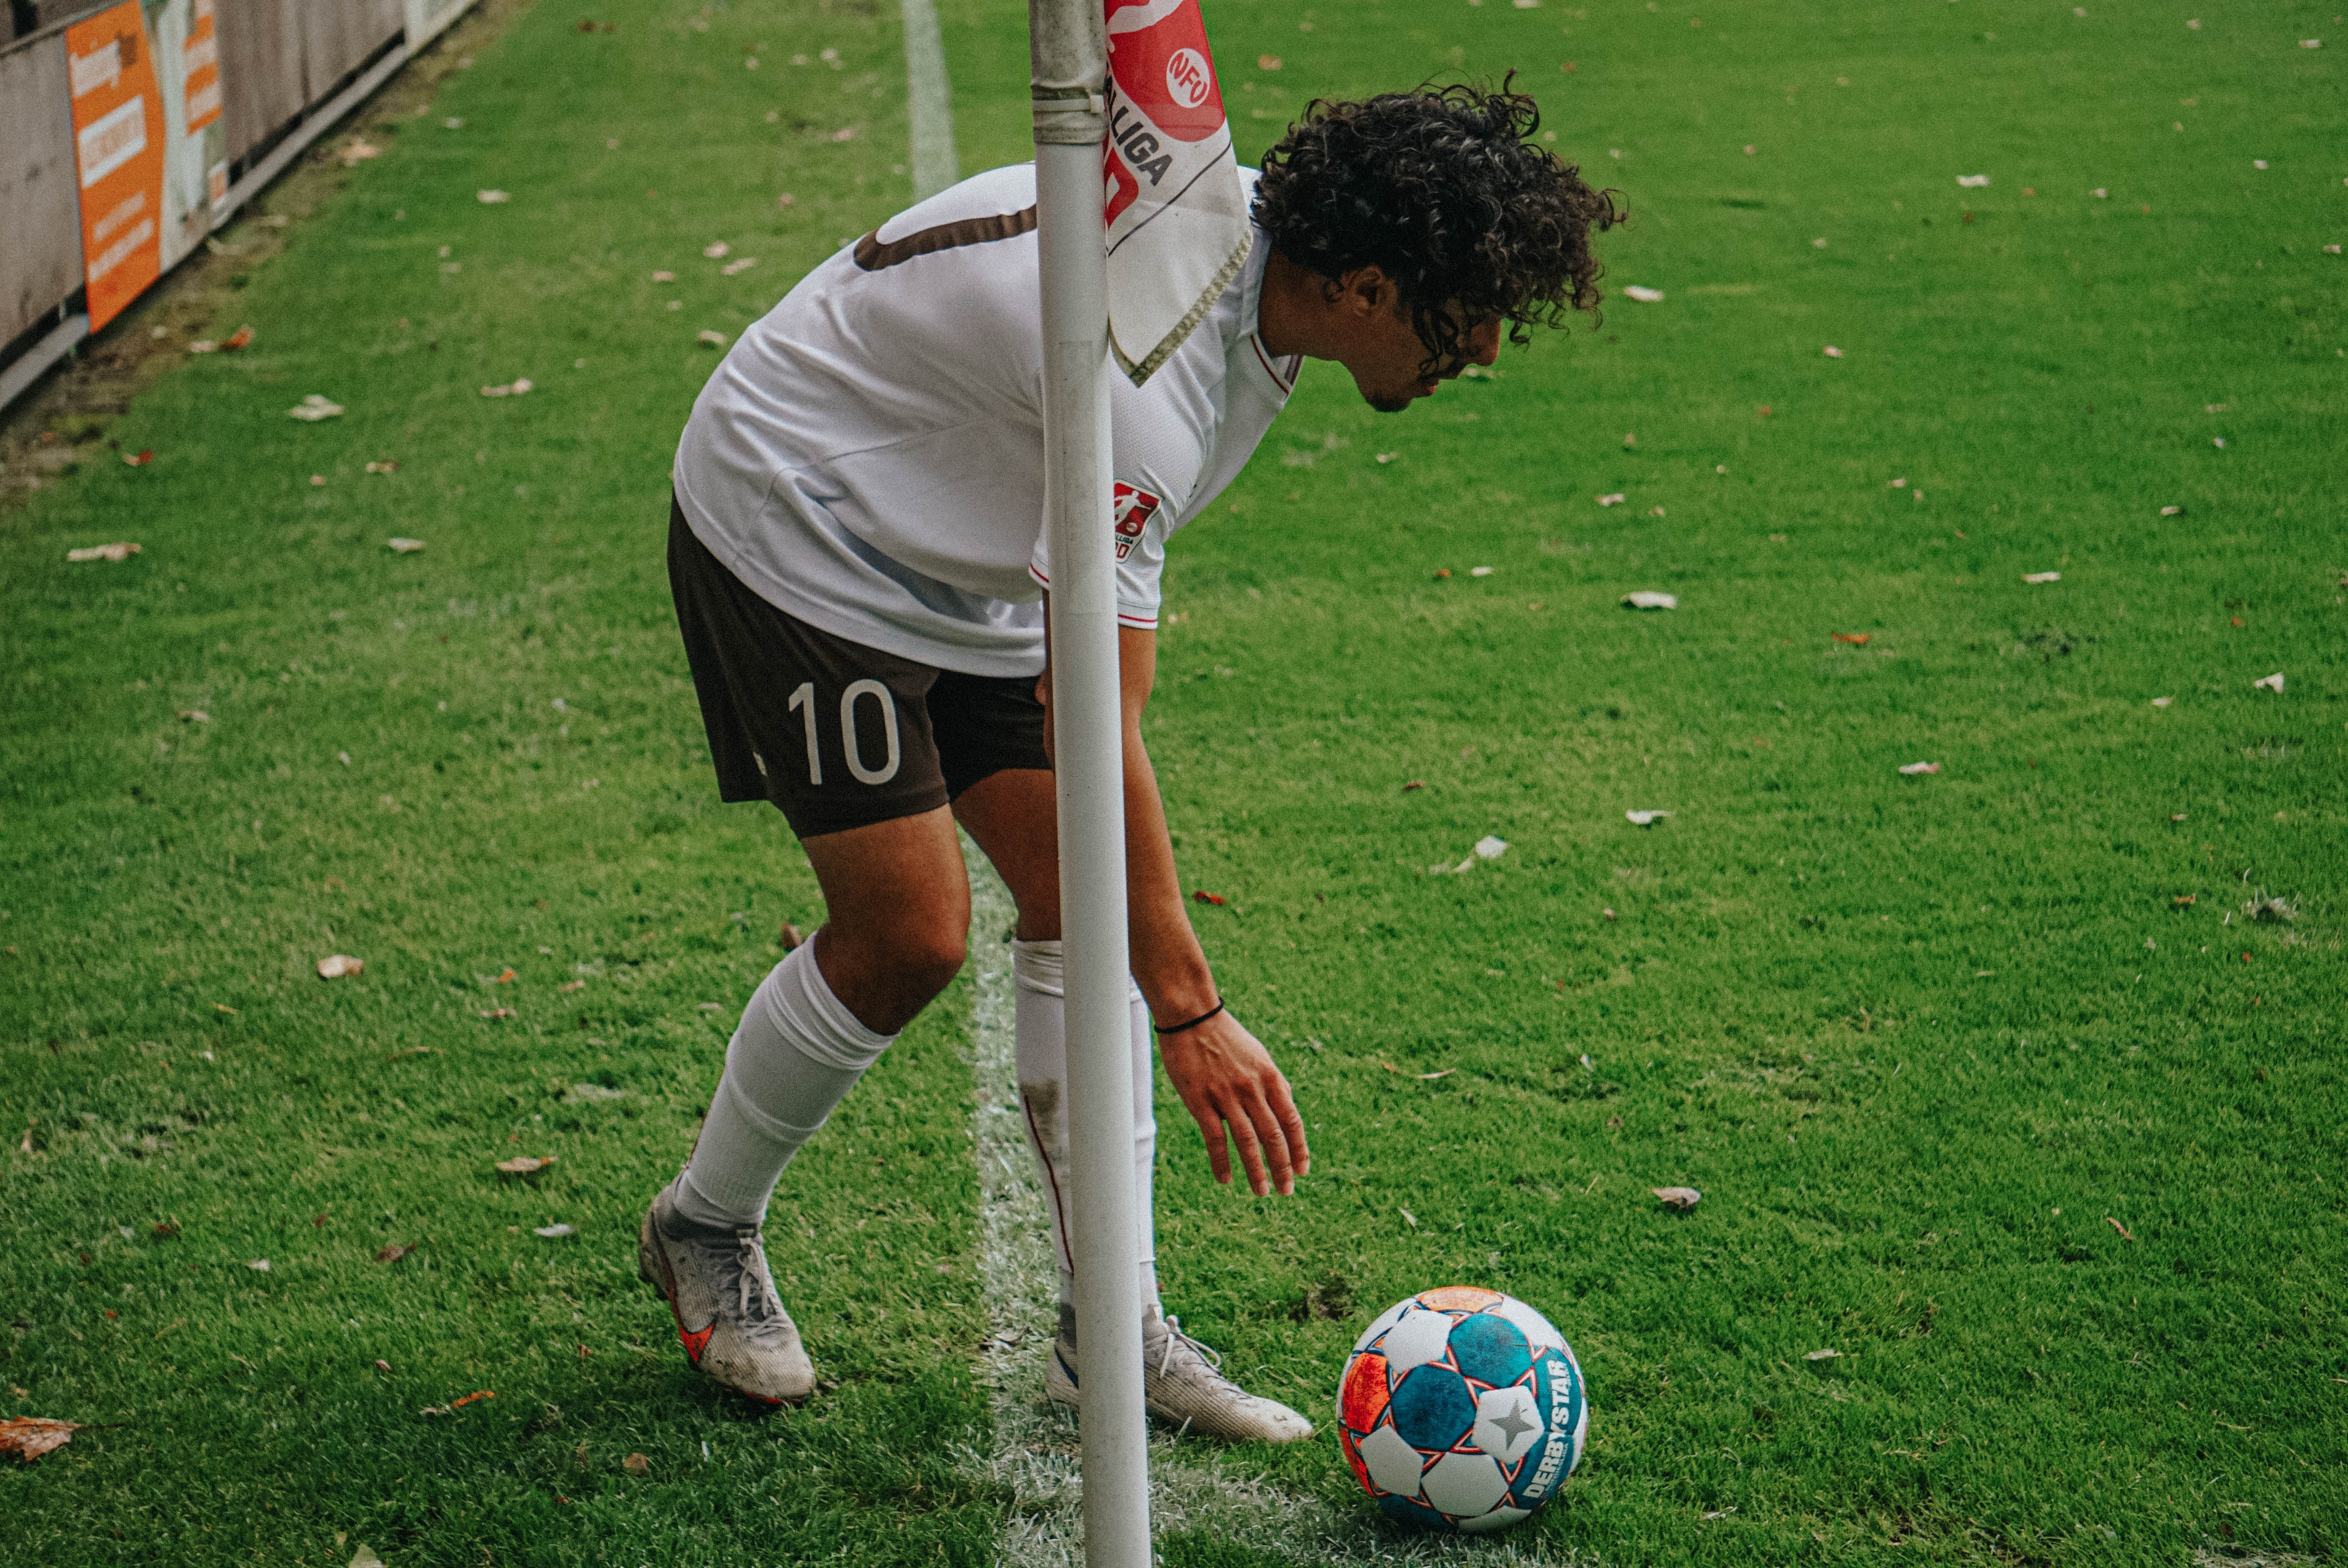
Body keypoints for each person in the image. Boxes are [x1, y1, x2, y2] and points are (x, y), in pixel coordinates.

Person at [637, 79, 1619, 1442]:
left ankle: (1112, 1333)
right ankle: (704, 1224)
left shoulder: (1244, 282)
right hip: (803, 524)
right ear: (1366, 288)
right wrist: (1191, 1010)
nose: (1491, 347)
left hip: (977, 547)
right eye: (1469, 311)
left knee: (1075, 914)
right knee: (911, 935)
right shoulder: (1148, 373)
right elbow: (1088, 719)